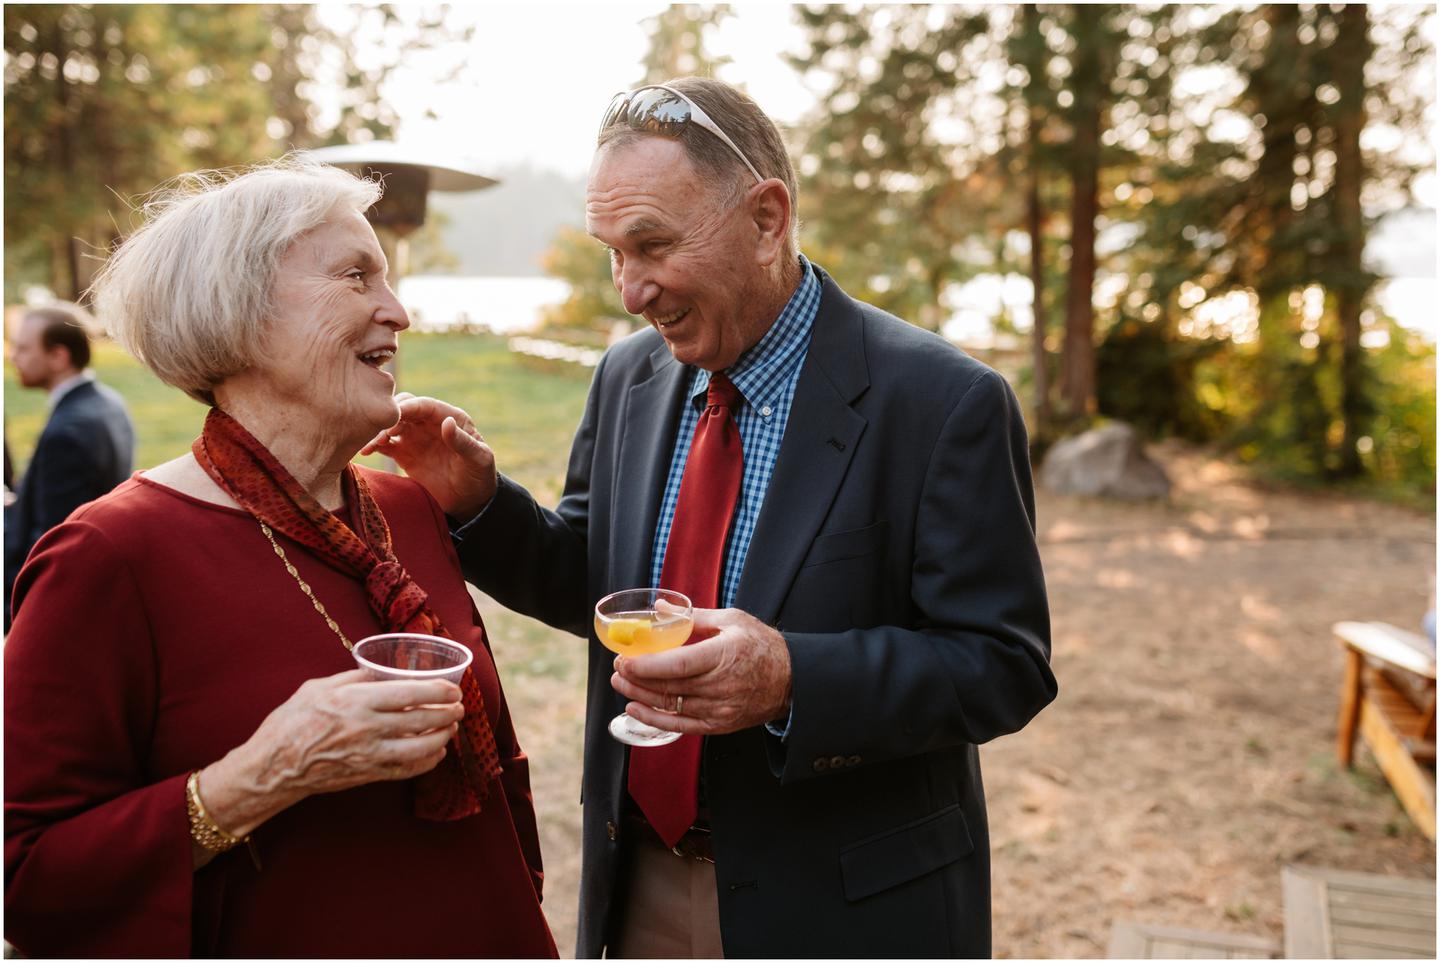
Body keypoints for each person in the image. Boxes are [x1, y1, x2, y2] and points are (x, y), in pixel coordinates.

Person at [375, 77, 1056, 958]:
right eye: (611, 252)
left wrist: (791, 677)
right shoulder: (628, 377)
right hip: (641, 882)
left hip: (847, 909)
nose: (629, 290)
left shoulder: (944, 401)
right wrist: (477, 502)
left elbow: (1003, 664)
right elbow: (599, 578)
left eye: (652, 244)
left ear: (767, 218)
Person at [3, 159, 557, 958]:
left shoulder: (407, 508)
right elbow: (28, 880)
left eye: (387, 279)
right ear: (239, 313)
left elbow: (501, 773)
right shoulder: (110, 554)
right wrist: (259, 775)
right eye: (356, 276)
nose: (396, 311)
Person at [4, 303, 135, 628]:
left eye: (22, 348)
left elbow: (50, 542)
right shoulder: (107, 402)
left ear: (59, 357)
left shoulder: (68, 431)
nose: (11, 356)